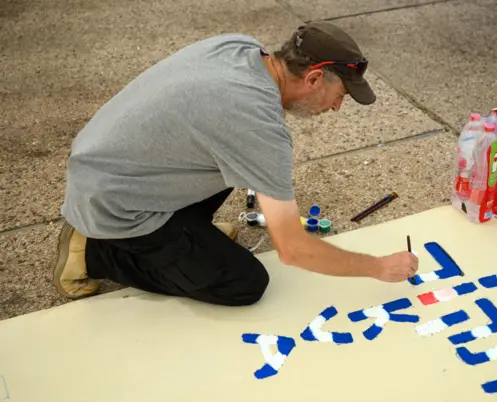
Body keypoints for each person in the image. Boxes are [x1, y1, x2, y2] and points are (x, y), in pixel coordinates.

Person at [52, 20, 419, 306]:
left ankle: (187, 230)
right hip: (112, 205)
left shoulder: (239, 46)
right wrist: (379, 267)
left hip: (104, 167)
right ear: (313, 77)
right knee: (244, 284)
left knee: (234, 161)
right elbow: (293, 250)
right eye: (339, 96)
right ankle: (95, 251)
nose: (337, 107)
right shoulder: (255, 123)